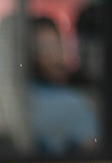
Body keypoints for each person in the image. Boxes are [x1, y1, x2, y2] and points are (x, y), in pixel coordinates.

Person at [27, 16, 99, 155]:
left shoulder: (18, 98)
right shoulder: (70, 103)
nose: (56, 57)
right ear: (30, 56)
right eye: (44, 49)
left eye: (57, 45)